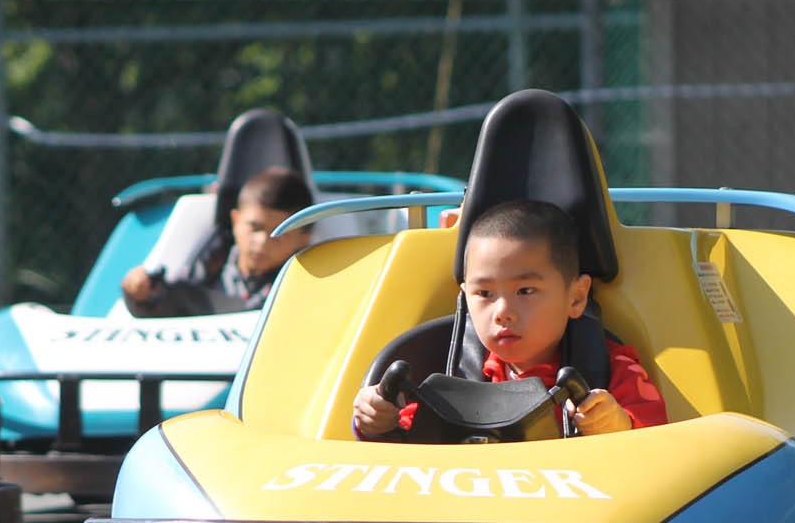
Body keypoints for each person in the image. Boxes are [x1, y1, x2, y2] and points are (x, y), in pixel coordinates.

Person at [353, 198, 668, 440]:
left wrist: (618, 425)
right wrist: (376, 421)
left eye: (526, 290)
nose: (502, 311)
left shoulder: (615, 371)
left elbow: (661, 445)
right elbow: (407, 450)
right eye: (485, 294)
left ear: (576, 297)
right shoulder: (450, 379)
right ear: (465, 297)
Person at [121, 167, 315, 316]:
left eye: (279, 233)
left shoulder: (307, 290)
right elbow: (172, 306)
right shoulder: (211, 262)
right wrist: (141, 296)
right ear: (235, 221)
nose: (262, 241)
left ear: (304, 239)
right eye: (254, 227)